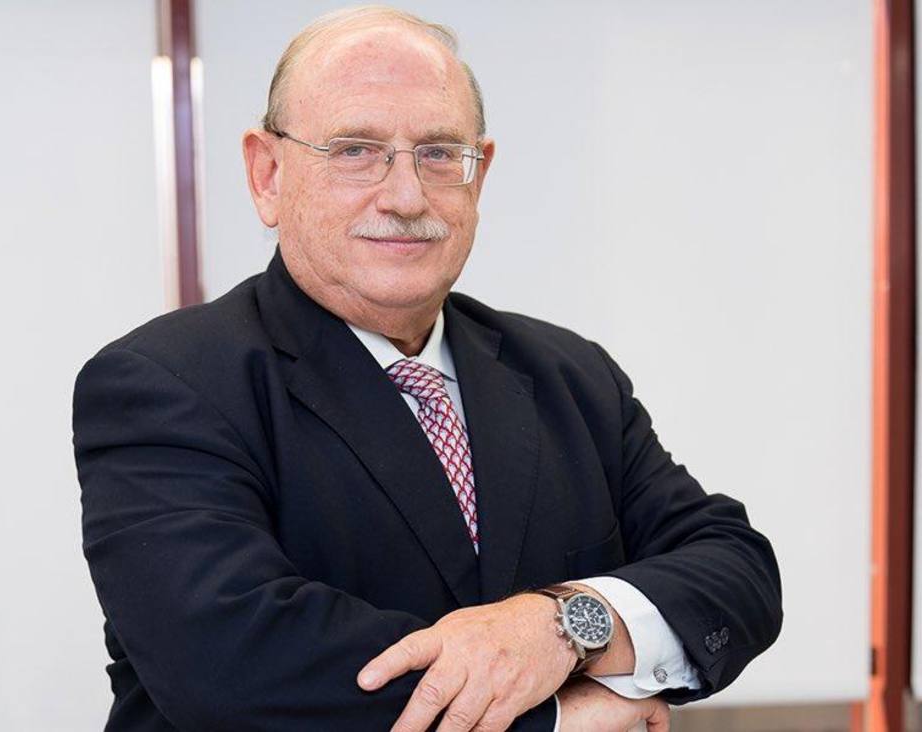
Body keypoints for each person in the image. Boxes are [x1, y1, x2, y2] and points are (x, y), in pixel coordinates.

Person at [72, 5, 782, 731]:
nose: (406, 197)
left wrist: (561, 624)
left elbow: (736, 569)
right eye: (355, 150)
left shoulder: (571, 375)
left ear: (480, 176)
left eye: (440, 153)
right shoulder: (164, 385)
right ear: (268, 174)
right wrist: (557, 720)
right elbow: (231, 660)